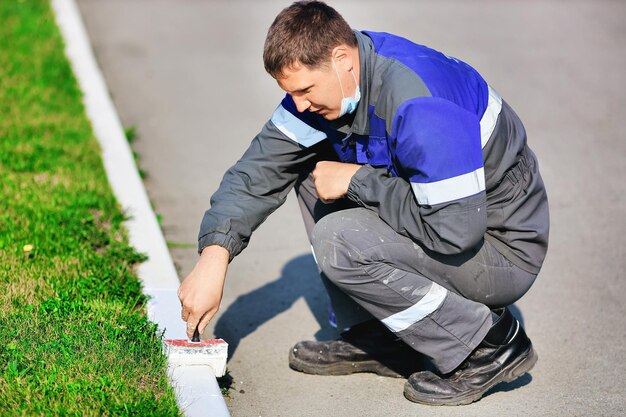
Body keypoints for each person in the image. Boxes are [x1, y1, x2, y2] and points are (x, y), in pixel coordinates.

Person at [178, 0, 549, 406]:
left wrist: (357, 180)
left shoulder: (421, 106)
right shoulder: (335, 86)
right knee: (310, 170)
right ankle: (381, 338)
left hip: (498, 249)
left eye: (304, 90)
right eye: (290, 93)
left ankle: (488, 344)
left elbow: (453, 232)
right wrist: (214, 256)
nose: (298, 105)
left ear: (342, 60)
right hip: (453, 226)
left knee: (340, 239)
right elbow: (259, 169)